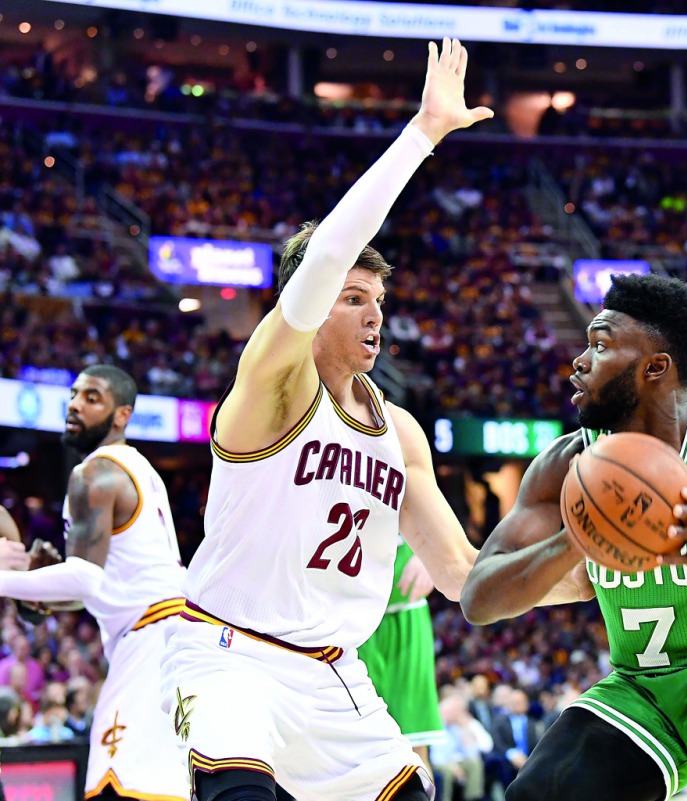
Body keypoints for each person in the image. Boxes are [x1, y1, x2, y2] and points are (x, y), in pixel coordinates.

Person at [160, 40, 580, 801]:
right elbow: (325, 256)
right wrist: (421, 134)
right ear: (311, 306)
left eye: (378, 300)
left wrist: (598, 572)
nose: (373, 313)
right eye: (354, 297)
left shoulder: (402, 431)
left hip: (331, 674)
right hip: (227, 655)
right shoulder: (270, 391)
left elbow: (464, 575)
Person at [461, 273, 687, 801]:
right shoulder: (566, 466)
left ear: (655, 367)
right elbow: (478, 599)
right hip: (641, 688)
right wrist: (575, 540)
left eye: (601, 345)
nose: (579, 361)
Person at [0, 365, 190, 800]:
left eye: (92, 397)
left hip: (151, 641)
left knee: (118, 785)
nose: (74, 404)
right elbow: (99, 585)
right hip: (170, 634)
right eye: (73, 394)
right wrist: (44, 589)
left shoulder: (92, 475)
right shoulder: (140, 467)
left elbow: (84, 579)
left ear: (121, 414)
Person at [359, 542, 445, 766]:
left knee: (413, 748)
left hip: (405, 614)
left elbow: (438, 518)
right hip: (346, 618)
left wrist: (431, 553)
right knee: (341, 750)